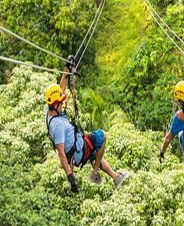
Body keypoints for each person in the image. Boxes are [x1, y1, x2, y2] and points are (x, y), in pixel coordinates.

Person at [45, 65, 128, 193]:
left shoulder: (50, 111)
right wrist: (70, 177)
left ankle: (116, 177)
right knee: (103, 136)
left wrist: (66, 69)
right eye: (61, 103)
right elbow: (61, 154)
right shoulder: (58, 126)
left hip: (77, 142)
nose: (63, 104)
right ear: (56, 105)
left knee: (96, 154)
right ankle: (94, 173)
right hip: (78, 151)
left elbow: (61, 88)